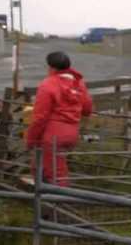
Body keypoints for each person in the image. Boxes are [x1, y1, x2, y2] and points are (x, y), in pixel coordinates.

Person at [26, 51, 92, 186]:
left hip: (52, 136)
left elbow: (40, 117)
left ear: (52, 67)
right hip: (71, 133)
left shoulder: (48, 84)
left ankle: (57, 202)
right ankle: (40, 196)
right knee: (40, 163)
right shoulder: (79, 83)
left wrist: (31, 139)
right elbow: (87, 109)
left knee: (56, 173)